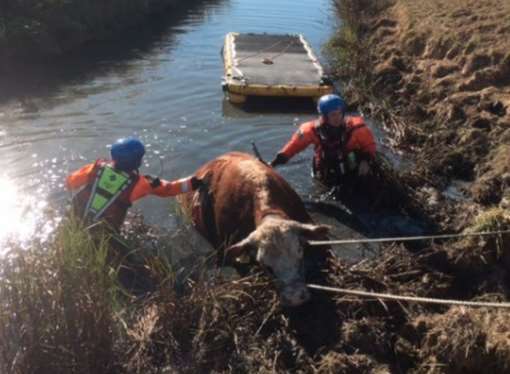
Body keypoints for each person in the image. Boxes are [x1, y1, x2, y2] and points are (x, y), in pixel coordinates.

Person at [66, 137, 203, 232]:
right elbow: (169, 189)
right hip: (105, 232)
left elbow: (70, 182)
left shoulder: (94, 168)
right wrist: (194, 183)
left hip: (73, 220)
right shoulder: (142, 183)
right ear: (138, 162)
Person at [270, 94, 377, 189]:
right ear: (324, 116)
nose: (338, 118)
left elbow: (370, 146)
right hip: (325, 166)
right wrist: (274, 163)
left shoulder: (357, 128)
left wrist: (366, 161)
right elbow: (293, 147)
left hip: (351, 163)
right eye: (333, 115)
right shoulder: (310, 130)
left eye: (340, 113)